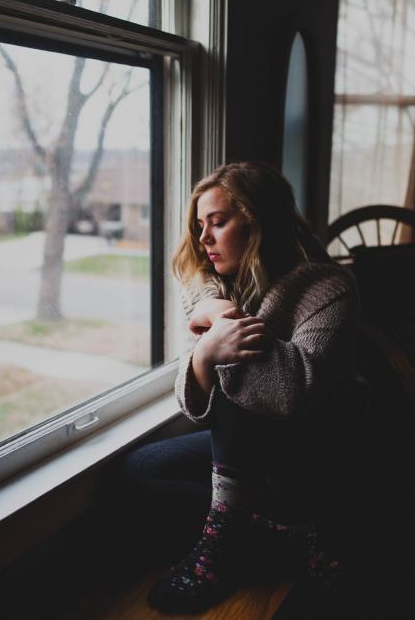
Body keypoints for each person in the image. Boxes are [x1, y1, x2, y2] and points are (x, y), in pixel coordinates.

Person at [124, 161, 365, 614]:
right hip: (246, 458)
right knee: (145, 468)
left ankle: (224, 547)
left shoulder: (329, 288)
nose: (204, 239)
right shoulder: (210, 287)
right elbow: (190, 401)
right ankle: (290, 540)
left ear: (258, 222)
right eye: (199, 225)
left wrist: (223, 326)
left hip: (313, 454)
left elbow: (292, 393)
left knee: (240, 387)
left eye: (218, 222)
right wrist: (204, 352)